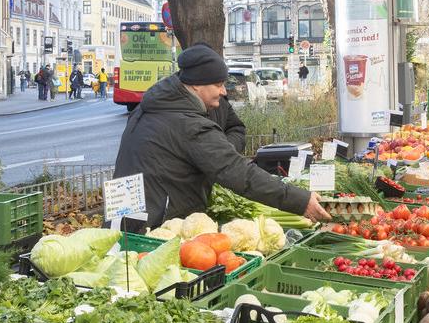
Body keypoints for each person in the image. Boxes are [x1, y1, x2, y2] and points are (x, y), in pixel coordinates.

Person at [114, 43, 331, 227]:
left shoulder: (148, 108)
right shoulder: (189, 124)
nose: (224, 91)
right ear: (197, 85)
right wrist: (300, 201)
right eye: (218, 85)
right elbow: (239, 173)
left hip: (125, 219)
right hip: (157, 226)